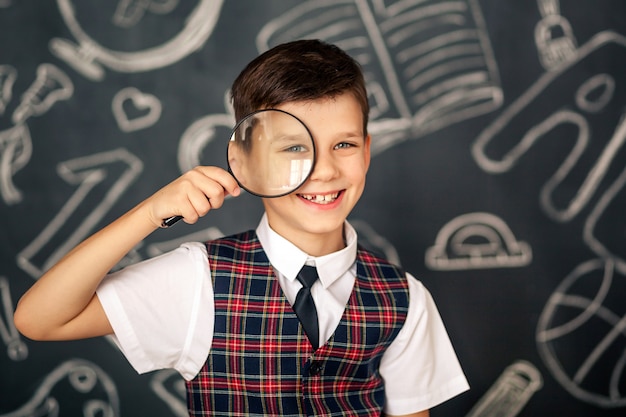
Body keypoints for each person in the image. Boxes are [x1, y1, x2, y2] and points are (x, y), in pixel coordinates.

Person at [14, 39, 469, 416]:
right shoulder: (198, 281)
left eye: (344, 144)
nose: (325, 170)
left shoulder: (403, 297)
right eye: (295, 148)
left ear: (367, 152)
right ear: (243, 160)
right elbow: (39, 320)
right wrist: (148, 213)